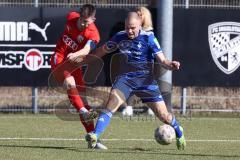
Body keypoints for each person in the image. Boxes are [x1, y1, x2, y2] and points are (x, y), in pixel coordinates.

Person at [84, 12, 186, 150]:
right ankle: (94, 136)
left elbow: (162, 60)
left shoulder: (149, 38)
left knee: (164, 117)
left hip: (146, 82)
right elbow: (104, 49)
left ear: (140, 25)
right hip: (125, 80)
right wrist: (88, 59)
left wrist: (170, 65)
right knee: (110, 106)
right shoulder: (120, 36)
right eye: (127, 27)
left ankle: (179, 132)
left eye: (132, 27)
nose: (129, 31)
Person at [49, 4, 107, 149]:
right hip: (59, 58)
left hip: (74, 64)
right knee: (70, 82)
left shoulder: (93, 34)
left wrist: (75, 54)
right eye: (81, 20)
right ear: (78, 15)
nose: (83, 24)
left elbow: (87, 49)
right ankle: (83, 111)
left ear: (93, 19)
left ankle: (92, 139)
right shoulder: (71, 17)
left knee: (82, 100)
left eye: (87, 22)